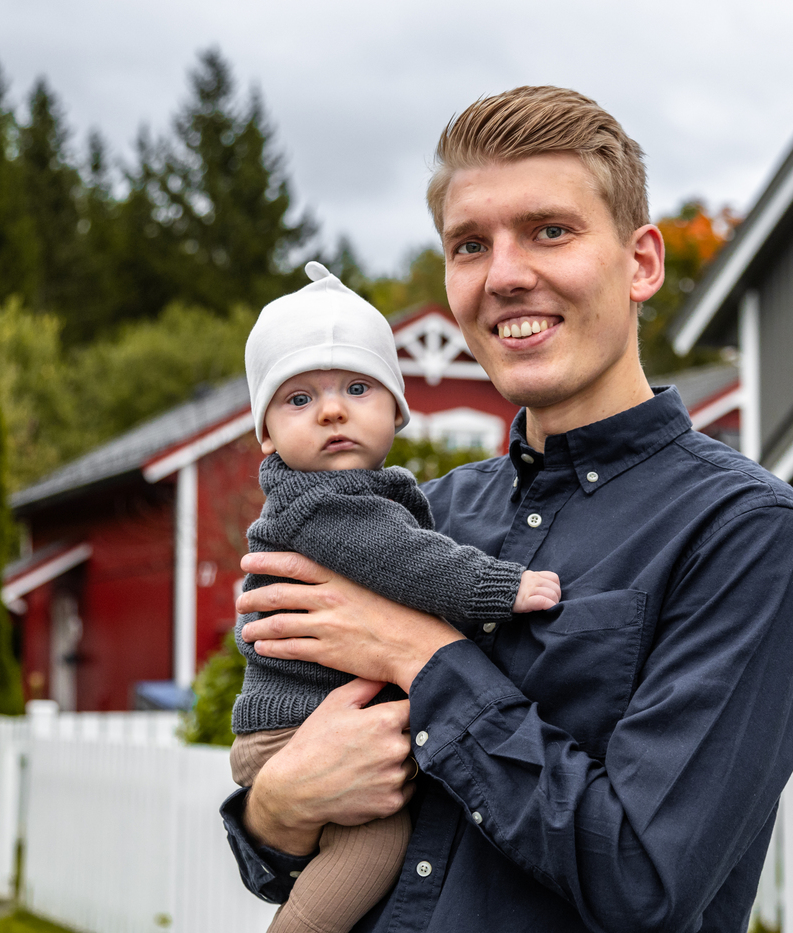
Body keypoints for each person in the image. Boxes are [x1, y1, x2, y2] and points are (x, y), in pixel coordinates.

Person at [220, 85, 793, 933]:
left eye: (550, 230)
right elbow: (282, 855)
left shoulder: (742, 532)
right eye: (470, 245)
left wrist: (422, 656)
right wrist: (278, 808)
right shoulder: (423, 514)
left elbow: (645, 882)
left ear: (641, 263)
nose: (504, 275)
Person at [231, 261, 562, 933]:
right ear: (265, 434)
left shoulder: (374, 498)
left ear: (396, 410)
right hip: (297, 729)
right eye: (297, 399)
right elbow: (415, 565)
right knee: (374, 842)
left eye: (356, 387)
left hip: (306, 729)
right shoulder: (322, 504)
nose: (330, 409)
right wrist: (504, 586)